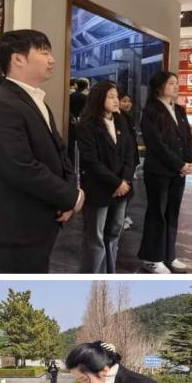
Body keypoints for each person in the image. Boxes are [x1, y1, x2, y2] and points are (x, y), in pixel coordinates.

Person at [0, 30, 83, 273]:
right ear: (18, 59)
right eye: (44, 52)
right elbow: (19, 166)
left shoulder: (36, 100)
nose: (52, 59)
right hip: (15, 229)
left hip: (40, 221)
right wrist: (71, 197)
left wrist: (66, 194)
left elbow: (59, 151)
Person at [75, 80, 136, 274]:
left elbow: (130, 153)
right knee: (96, 237)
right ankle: (93, 277)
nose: (116, 100)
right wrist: (116, 182)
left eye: (116, 96)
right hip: (99, 188)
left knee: (114, 233)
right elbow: (91, 161)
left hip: (122, 188)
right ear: (98, 98)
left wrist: (125, 180)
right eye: (111, 97)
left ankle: (110, 274)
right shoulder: (87, 125)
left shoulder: (121, 120)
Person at [138, 70, 192, 274]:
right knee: (158, 214)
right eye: (171, 83)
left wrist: (191, 161)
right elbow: (156, 144)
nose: (176, 86)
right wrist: (179, 164)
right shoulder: (151, 111)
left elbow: (187, 138)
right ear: (159, 87)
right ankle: (151, 258)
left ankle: (169, 255)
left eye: (176, 83)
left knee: (172, 213)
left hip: (178, 171)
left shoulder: (179, 109)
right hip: (159, 171)